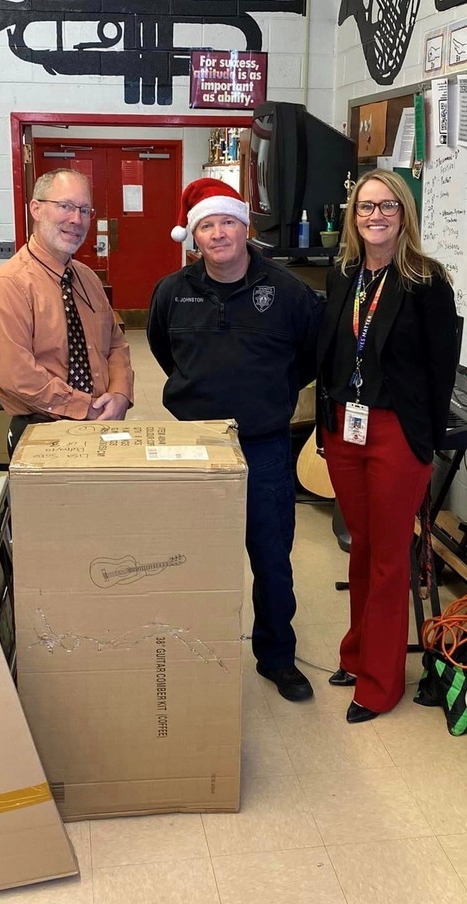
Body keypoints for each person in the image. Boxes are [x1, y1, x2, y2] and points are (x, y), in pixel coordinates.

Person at [147, 177, 324, 702]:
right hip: (194, 448)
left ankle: (276, 657)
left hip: (265, 447)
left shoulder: (288, 292)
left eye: (227, 221)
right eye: (207, 225)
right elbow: (163, 352)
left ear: (245, 228)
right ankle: (196, 648)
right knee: (191, 557)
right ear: (193, 236)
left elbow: (310, 357)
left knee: (272, 557)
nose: (218, 233)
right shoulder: (171, 292)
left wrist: (270, 395)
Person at [316, 169, 459, 724]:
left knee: (389, 556)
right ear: (354, 216)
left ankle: (380, 683)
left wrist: (422, 442)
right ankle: (357, 655)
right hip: (345, 429)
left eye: (387, 207)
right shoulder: (343, 274)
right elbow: (330, 351)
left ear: (404, 214)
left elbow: (440, 369)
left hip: (397, 434)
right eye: (365, 207)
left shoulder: (427, 281)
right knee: (361, 546)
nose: (375, 216)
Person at [0, 168, 133, 453]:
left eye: (85, 210)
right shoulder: (9, 284)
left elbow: (116, 343)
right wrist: (83, 407)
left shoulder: (87, 279)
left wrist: (121, 393)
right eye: (65, 206)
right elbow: (16, 375)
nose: (77, 219)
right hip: (42, 431)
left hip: (100, 424)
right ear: (36, 209)